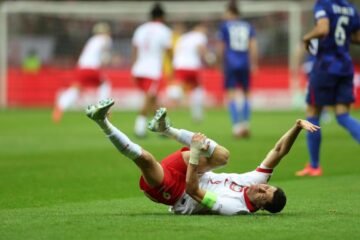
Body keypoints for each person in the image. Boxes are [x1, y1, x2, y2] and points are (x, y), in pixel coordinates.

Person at [86, 98, 320, 215]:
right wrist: (297, 126)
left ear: (260, 206)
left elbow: (192, 190)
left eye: (263, 195)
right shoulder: (255, 182)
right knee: (223, 156)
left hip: (178, 195)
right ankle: (166, 129)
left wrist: (196, 153)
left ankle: (102, 121)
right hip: (192, 169)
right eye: (267, 188)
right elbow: (278, 152)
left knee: (146, 159)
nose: (261, 189)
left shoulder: (234, 208)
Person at [296, 0, 360, 177]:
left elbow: (323, 29)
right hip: (345, 66)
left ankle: (314, 166)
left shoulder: (323, 5)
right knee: (343, 116)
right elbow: (358, 37)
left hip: (325, 66)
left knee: (313, 112)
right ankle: (313, 165)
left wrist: (307, 37)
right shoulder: (349, 8)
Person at [52, 22, 112, 123]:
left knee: (76, 89)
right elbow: (105, 57)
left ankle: (60, 106)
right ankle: (103, 109)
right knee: (105, 85)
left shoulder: (91, 40)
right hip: (92, 68)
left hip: (81, 67)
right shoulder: (105, 39)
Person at [217, 0, 258, 138]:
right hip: (245, 63)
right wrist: (253, 63)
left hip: (231, 63)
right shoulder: (248, 26)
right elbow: (253, 45)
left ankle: (236, 127)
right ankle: (245, 124)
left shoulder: (225, 26)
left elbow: (221, 47)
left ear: (230, 12)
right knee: (246, 93)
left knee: (231, 94)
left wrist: (220, 63)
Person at [131, 2, 172, 138]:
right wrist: (172, 66)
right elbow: (168, 50)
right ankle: (139, 128)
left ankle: (163, 128)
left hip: (139, 68)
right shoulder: (164, 30)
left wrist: (133, 66)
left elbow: (135, 49)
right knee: (149, 98)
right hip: (152, 70)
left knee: (153, 99)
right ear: (162, 16)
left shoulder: (141, 29)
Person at [171, 22, 209, 122]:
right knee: (197, 89)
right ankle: (197, 114)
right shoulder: (200, 36)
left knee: (179, 86)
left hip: (179, 65)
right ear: (198, 27)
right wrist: (208, 58)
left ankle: (172, 106)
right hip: (192, 65)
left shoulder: (183, 37)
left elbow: (176, 51)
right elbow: (200, 48)